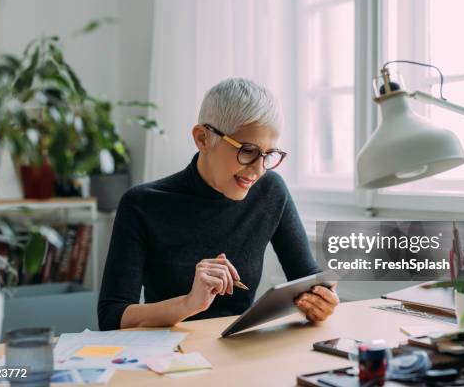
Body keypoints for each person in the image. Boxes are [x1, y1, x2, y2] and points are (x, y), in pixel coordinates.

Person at [98, 78, 339, 330]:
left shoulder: (270, 190)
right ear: (203, 139)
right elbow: (111, 316)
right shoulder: (141, 204)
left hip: (239, 351)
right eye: (247, 151)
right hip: (169, 357)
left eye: (268, 155)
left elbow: (306, 278)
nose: (258, 170)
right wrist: (188, 304)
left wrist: (320, 301)